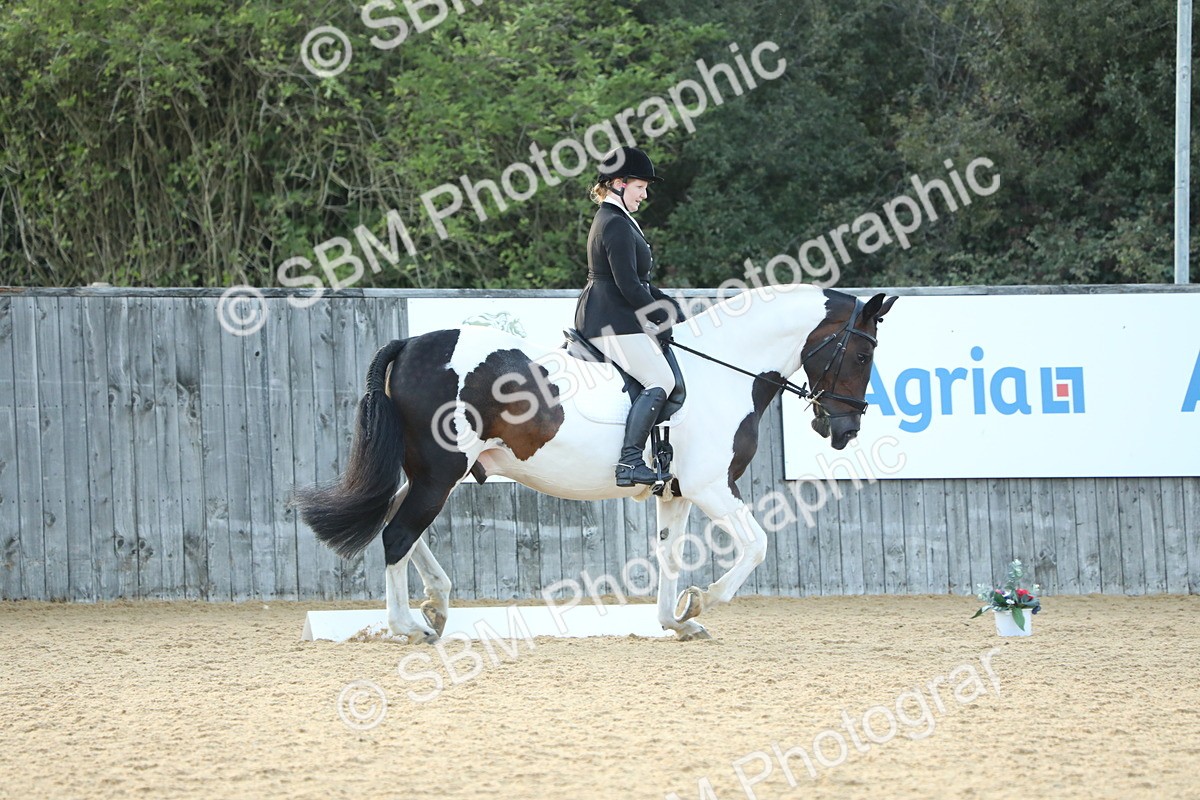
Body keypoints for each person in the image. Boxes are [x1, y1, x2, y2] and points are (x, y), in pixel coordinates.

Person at [574, 146, 682, 487]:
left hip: (614, 314)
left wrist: (671, 308)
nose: (645, 194)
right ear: (619, 184)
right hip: (610, 319)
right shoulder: (615, 225)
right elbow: (627, 285)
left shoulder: (618, 220)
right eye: (640, 187)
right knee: (661, 381)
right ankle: (630, 462)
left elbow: (641, 283)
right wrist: (658, 319)